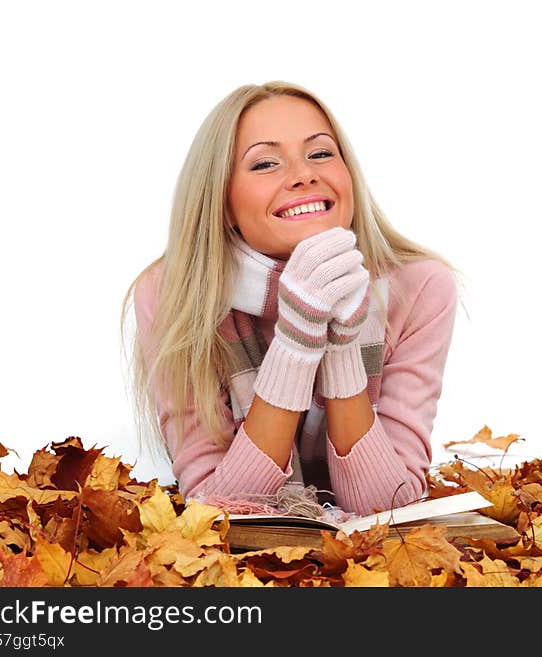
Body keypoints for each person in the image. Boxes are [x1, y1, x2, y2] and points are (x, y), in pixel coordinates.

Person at [121, 80, 461, 517]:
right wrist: (298, 338)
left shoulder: (419, 287)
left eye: (321, 153)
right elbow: (214, 511)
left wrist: (340, 340)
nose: (304, 175)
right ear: (222, 200)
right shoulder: (173, 293)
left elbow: (390, 510)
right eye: (264, 164)